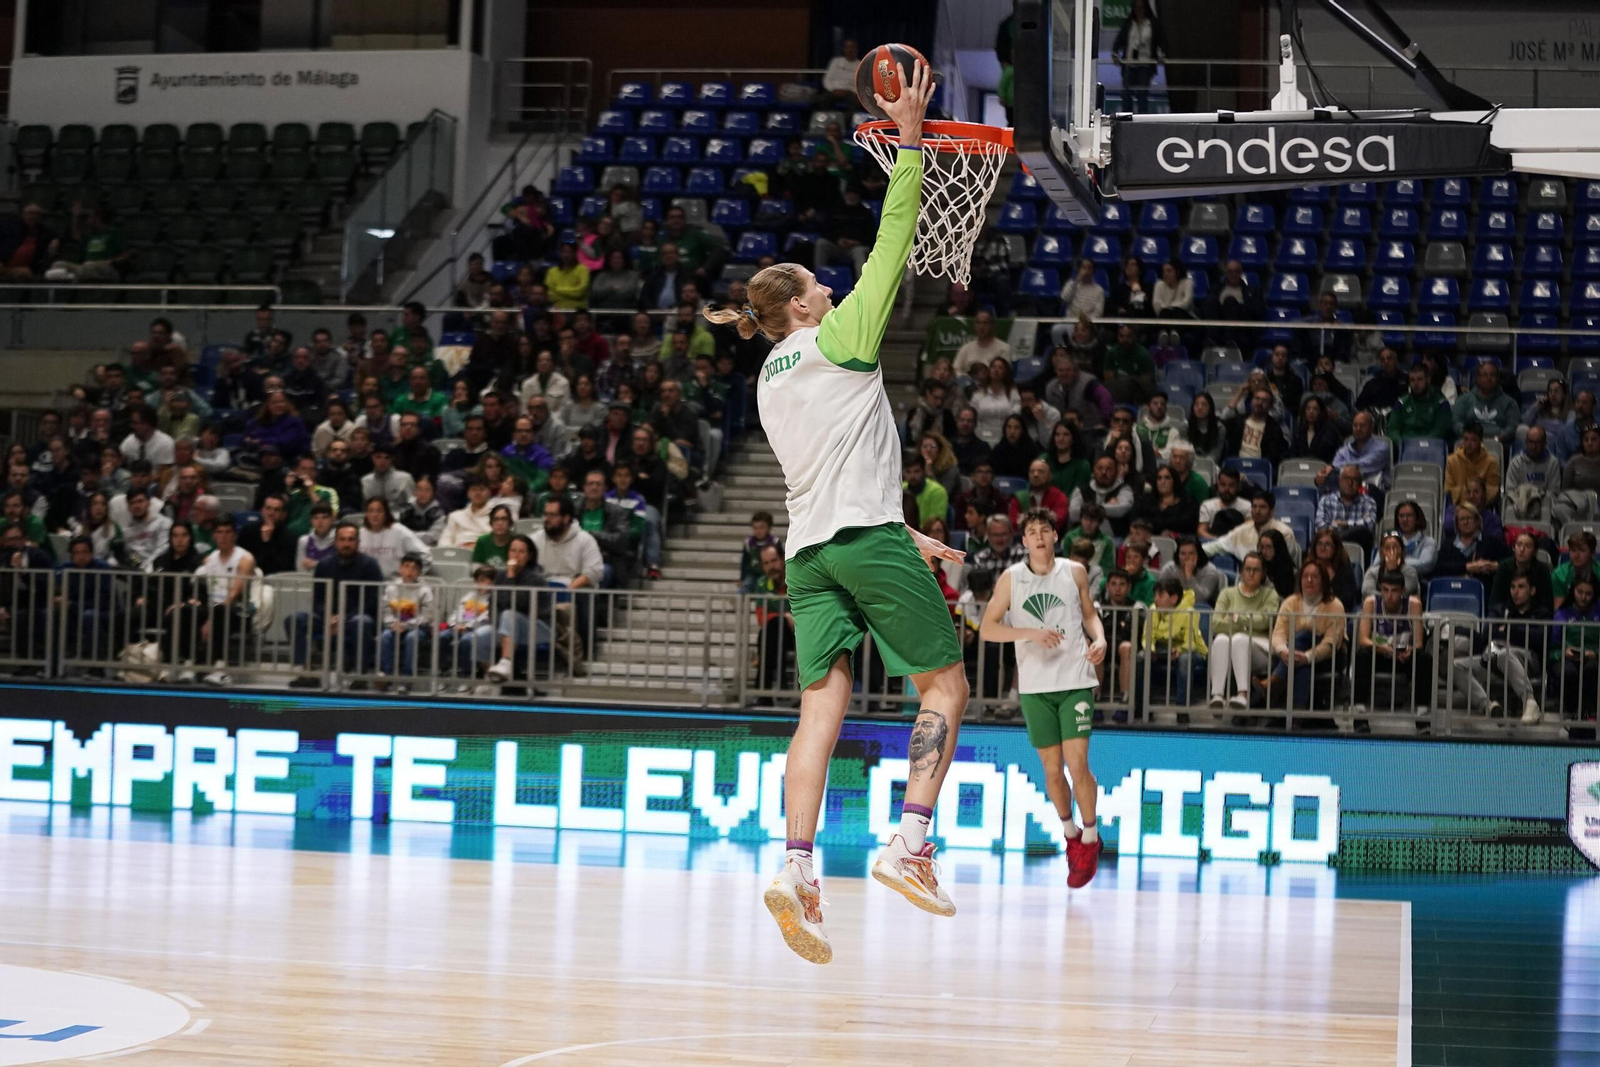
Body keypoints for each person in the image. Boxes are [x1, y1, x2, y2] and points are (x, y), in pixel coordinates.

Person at [699, 64, 965, 963]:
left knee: (820, 709)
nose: (833, 287)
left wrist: (905, 527)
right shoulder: (841, 336)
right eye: (821, 284)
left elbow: (833, 467)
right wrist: (912, 142)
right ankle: (910, 844)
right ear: (803, 308)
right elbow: (895, 245)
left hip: (809, 553)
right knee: (945, 686)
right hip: (860, 537)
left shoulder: (769, 380)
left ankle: (795, 869)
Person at [978, 507, 1107, 886]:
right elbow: (987, 628)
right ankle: (1070, 835)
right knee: (1052, 770)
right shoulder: (1011, 579)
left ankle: (1091, 834)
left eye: (1044, 530)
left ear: (1054, 536)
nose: (1038, 536)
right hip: (1035, 685)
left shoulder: (1074, 572)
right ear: (1024, 542)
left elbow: (1089, 614)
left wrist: (1099, 637)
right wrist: (1030, 633)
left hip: (1075, 678)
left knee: (1077, 763)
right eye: (1031, 531)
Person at [290, 521, 382, 687]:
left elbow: (372, 601)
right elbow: (318, 599)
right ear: (336, 542)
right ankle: (307, 671)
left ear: (358, 542)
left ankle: (359, 675)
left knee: (363, 621)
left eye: (351, 539)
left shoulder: (370, 565)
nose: (346, 544)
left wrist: (343, 618)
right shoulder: (324, 565)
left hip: (356, 617)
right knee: (296, 619)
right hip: (327, 618)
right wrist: (328, 617)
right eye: (342, 539)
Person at [1461, 570, 1550, 724]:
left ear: (1532, 590)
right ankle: (1488, 705)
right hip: (1496, 658)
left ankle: (1530, 702)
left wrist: (1508, 629)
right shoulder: (1501, 609)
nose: (1516, 592)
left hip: (1528, 659)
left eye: (1521, 587)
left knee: (1504, 654)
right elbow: (1487, 631)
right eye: (1513, 587)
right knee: (1457, 665)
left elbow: (1539, 638)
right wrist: (1521, 633)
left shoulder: (1541, 613)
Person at [1264, 560, 1346, 710]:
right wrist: (1284, 651)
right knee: (1301, 664)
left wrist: (1308, 657)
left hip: (1326, 658)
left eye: (1315, 576)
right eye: (1305, 576)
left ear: (1323, 581)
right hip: (1291, 655)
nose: (1309, 580)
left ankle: (1274, 682)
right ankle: (1298, 715)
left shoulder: (1335, 606)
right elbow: (1278, 634)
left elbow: (1330, 643)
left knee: (1305, 635)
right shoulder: (1290, 602)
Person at [1353, 569, 1430, 721]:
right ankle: (1359, 707)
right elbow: (1363, 639)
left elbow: (1419, 643)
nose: (1389, 596)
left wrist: (1409, 651)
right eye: (1385, 590)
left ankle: (1423, 710)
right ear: (1380, 589)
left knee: (1423, 658)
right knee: (1362, 655)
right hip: (1380, 655)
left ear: (1403, 590)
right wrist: (1385, 650)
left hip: (1403, 657)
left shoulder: (1413, 605)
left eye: (1394, 591)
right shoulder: (1371, 603)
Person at [1206, 551, 1280, 708]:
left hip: (1261, 649)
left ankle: (1242, 695)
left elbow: (1265, 622)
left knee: (1239, 638)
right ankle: (1217, 695)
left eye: (1256, 570)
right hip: (1231, 645)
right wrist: (1250, 622)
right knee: (1220, 639)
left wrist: (1237, 617)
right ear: (1241, 571)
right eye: (1248, 569)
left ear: (1263, 573)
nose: (1251, 574)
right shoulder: (1227, 593)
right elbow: (1216, 625)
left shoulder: (1270, 595)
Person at [189, 514, 257, 686]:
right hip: (214, 609)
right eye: (219, 532)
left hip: (239, 612)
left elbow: (234, 595)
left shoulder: (245, 559)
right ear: (214, 536)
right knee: (188, 611)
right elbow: (199, 587)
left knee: (219, 612)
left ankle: (221, 668)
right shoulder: (209, 559)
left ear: (235, 535)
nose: (224, 536)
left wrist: (211, 619)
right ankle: (189, 663)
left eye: (228, 532)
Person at [377, 552, 434, 691]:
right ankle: (387, 675)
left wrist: (407, 625)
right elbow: (386, 610)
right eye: (406, 566)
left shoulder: (425, 590)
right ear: (400, 569)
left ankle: (407, 678)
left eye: (414, 568)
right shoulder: (391, 588)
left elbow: (427, 615)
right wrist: (392, 623)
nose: (409, 571)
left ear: (419, 572)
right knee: (385, 636)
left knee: (411, 638)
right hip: (395, 625)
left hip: (418, 628)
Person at [1207, 493, 1300, 563]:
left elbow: (1286, 565)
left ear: (1271, 511)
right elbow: (1216, 546)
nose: (1257, 511)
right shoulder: (1241, 531)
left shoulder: (1285, 533)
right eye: (1254, 507)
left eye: (1262, 507)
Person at [1556, 574, 1600, 718]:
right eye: (1580, 592)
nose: (1583, 597)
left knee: (1592, 668)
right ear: (1573, 591)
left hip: (1593, 657)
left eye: (1588, 594)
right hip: (1566, 657)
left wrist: (1596, 653)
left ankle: (1589, 712)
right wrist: (1563, 651)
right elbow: (1551, 647)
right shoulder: (1562, 614)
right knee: (1568, 672)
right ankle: (1571, 712)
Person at [1111, 0, 1166, 113]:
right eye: (1136, 8)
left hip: (1146, 64)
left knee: (1142, 94)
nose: (1139, 10)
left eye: (1141, 8)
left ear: (1146, 9)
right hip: (1129, 63)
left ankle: (1142, 120)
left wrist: (1162, 55)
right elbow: (1119, 40)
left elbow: (1162, 42)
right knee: (1126, 94)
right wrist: (1115, 54)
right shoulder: (1129, 23)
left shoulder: (1153, 24)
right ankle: (1126, 119)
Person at [1314, 464, 1378, 558]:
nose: (1350, 483)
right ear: (1339, 481)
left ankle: (1337, 541)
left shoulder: (1368, 502)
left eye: (1354, 479)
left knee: (1363, 532)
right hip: (1329, 551)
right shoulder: (1326, 500)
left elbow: (1369, 525)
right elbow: (1321, 527)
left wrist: (1345, 524)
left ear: (1360, 483)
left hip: (1357, 552)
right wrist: (1354, 526)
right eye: (1346, 478)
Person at [358, 497, 431, 577]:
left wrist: (412, 576)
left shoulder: (399, 531)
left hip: (396, 584)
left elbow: (425, 555)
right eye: (371, 511)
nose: (375, 515)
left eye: (379, 511)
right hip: (366, 584)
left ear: (386, 513)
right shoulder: (360, 533)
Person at [1453, 362, 1520, 444]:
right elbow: (1456, 422)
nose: (1489, 378)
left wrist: (1499, 438)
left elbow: (1512, 426)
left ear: (1498, 378)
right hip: (1469, 443)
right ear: (1477, 378)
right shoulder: (1463, 400)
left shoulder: (1509, 402)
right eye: (1485, 375)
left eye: (1492, 375)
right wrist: (1469, 437)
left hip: (1498, 442)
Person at [1069, 454, 1135, 536]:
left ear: (1116, 471)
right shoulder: (1081, 490)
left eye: (1109, 469)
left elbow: (1122, 509)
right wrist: (1107, 507)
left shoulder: (1124, 489)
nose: (1104, 472)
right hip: (1083, 538)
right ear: (1093, 471)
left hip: (1115, 538)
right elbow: (1074, 513)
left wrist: (1087, 508)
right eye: (1100, 468)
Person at [1387, 363, 1453, 441]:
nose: (1416, 384)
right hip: (1406, 446)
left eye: (1420, 379)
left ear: (1428, 379)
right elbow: (1392, 429)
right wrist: (1401, 443)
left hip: (1432, 447)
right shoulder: (1402, 403)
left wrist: (1420, 445)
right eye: (1412, 380)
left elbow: (1440, 431)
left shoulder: (1441, 403)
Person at [1224, 388, 1286, 467]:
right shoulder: (1237, 422)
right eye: (1257, 399)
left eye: (1264, 401)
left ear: (1270, 405)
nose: (1260, 403)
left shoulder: (1274, 429)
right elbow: (1221, 421)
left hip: (1259, 467)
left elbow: (1273, 458)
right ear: (1251, 401)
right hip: (1236, 466)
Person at [1133, 464, 1199, 538]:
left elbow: (1187, 524)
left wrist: (1156, 523)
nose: (1162, 482)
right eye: (1159, 478)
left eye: (1167, 478)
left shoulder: (1188, 502)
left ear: (1175, 481)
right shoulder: (1144, 501)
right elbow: (1136, 522)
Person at [238, 493, 297, 575]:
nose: (271, 513)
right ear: (262, 510)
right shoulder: (247, 530)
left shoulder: (290, 537)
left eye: (276, 510)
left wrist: (267, 541)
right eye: (268, 508)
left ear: (283, 515)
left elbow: (283, 568)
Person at [1445, 422, 1501, 505]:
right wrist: (1475, 492)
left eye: (1473, 440)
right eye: (1466, 439)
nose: (1469, 444)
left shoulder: (1491, 462)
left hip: (1482, 507)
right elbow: (1448, 490)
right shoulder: (1452, 460)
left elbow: (1493, 491)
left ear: (1481, 441)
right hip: (1457, 507)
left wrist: (1462, 492)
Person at [1007, 458, 1070, 531]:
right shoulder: (1020, 497)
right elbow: (1013, 522)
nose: (1035, 475)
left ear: (1050, 476)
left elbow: (1058, 521)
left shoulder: (1059, 496)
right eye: (1032, 471)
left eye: (1041, 472)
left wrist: (1025, 520)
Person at [1159, 535, 1224, 606]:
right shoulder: (1169, 569)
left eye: (1191, 553)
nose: (1187, 558)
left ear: (1198, 555)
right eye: (1183, 554)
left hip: (1200, 609)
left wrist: (1189, 576)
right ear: (1178, 555)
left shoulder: (1210, 571)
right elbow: (1160, 593)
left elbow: (1200, 599)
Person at [1062, 501, 1116, 577]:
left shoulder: (1107, 542)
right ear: (1080, 519)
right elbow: (1065, 564)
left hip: (1096, 579)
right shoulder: (1070, 537)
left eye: (1093, 521)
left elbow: (1106, 570)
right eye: (1085, 519)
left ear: (1099, 522)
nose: (1088, 524)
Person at [1198, 466, 1251, 539]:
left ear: (1238, 486)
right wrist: (1218, 541)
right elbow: (1201, 531)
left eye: (1231, 485)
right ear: (1218, 484)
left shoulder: (1247, 506)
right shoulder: (1207, 506)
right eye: (1223, 485)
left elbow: (1249, 530)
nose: (1226, 489)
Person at [1288, 395, 1342, 465]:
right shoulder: (1299, 431)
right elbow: (1293, 454)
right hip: (1301, 470)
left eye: (1315, 409)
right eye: (1308, 408)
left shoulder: (1330, 431)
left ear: (1321, 412)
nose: (1311, 412)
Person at [396, 475, 447, 546]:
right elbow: (396, 530)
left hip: (428, 549)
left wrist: (406, 535)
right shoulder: (405, 508)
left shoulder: (439, 513)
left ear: (433, 493)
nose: (422, 494)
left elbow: (431, 537)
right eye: (419, 489)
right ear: (414, 491)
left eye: (427, 490)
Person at [1553, 530, 1598, 610]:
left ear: (1592, 553)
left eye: (1582, 550)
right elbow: (1559, 610)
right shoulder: (1559, 574)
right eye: (1573, 550)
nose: (1576, 555)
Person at [1394, 500, 1438, 578]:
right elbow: (1376, 565)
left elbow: (1425, 565)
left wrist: (1395, 563)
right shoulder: (1391, 541)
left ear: (1417, 519)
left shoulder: (1428, 542)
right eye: (1401, 516)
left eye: (1409, 515)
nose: (1405, 519)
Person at [296, 502, 337, 571]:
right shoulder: (304, 540)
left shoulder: (340, 539)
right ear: (311, 520)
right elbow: (300, 570)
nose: (320, 522)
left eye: (325, 517)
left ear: (332, 520)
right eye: (315, 518)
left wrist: (316, 564)